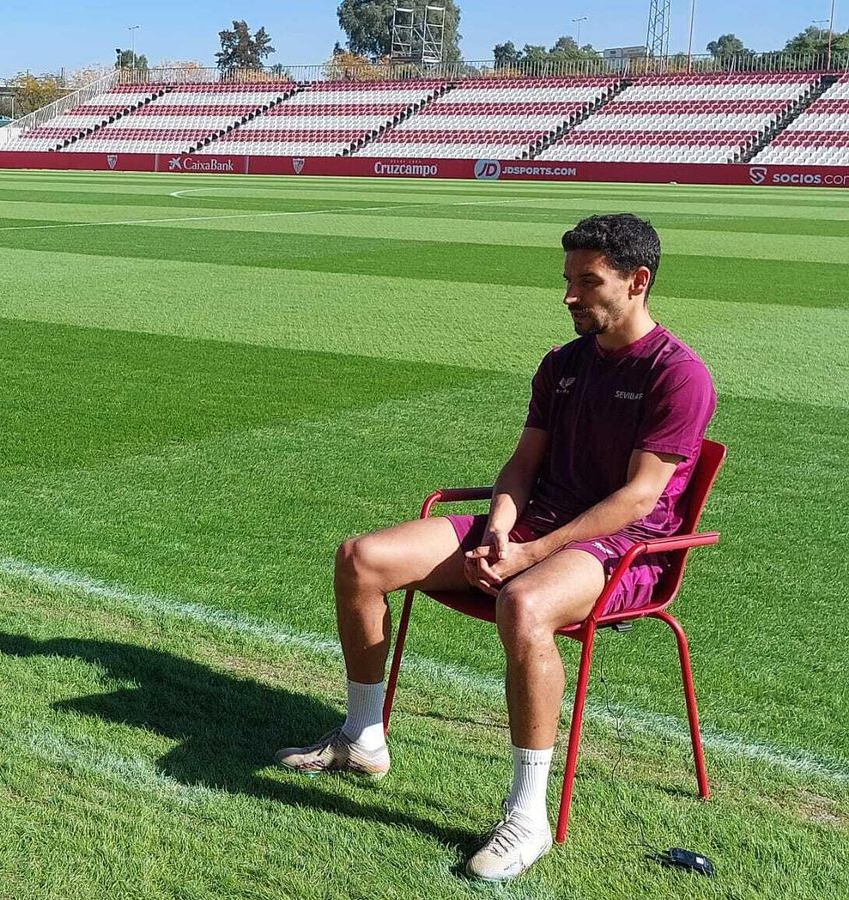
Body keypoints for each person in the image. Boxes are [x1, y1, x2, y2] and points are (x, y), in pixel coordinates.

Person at [275, 214, 716, 881]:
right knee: (361, 559)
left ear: (638, 281)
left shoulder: (677, 374)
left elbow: (636, 501)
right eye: (567, 279)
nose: (569, 295)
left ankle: (528, 818)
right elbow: (520, 466)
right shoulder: (562, 364)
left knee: (522, 603)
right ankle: (362, 739)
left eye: (588, 282)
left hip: (624, 552)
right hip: (537, 531)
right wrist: (506, 528)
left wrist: (530, 556)